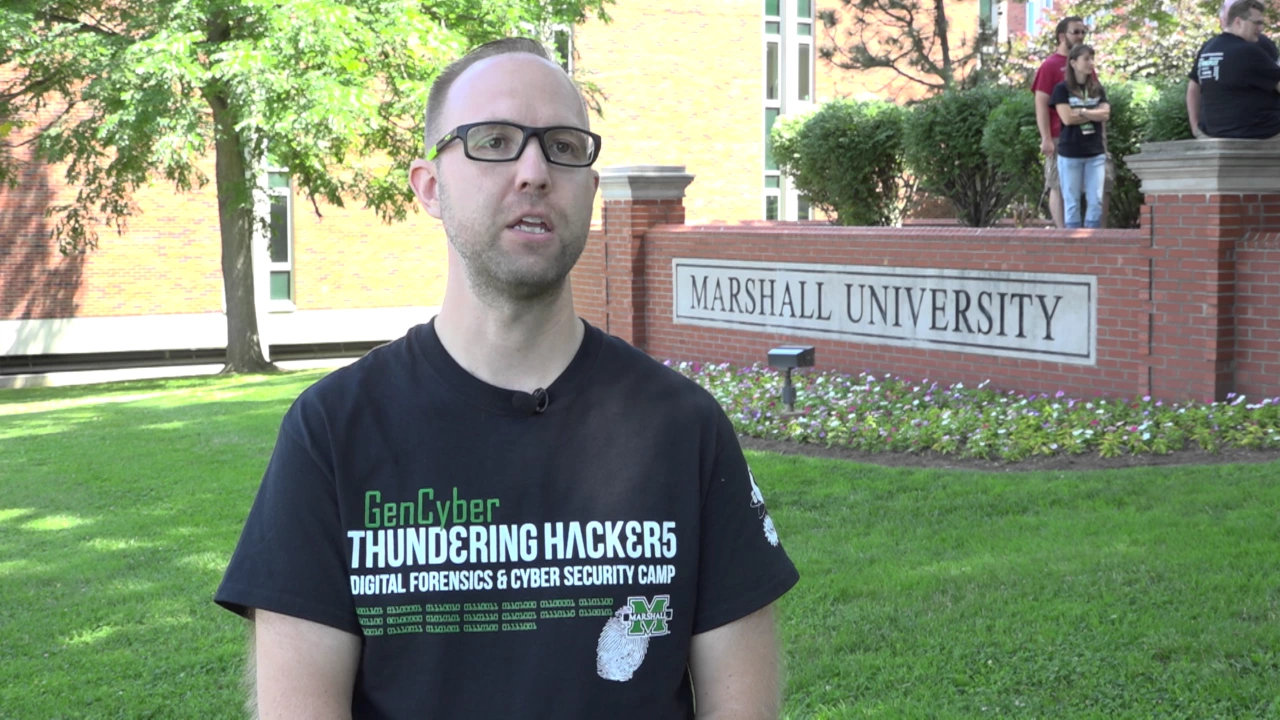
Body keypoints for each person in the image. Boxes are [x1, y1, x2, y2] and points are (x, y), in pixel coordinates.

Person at [213, 37, 800, 720]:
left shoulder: (682, 428)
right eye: (494, 141)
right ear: (429, 186)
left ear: (590, 189)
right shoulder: (333, 432)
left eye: (563, 146)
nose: (534, 171)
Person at [1033, 16, 1096, 229]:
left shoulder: (1086, 64)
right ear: (1062, 36)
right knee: (1059, 185)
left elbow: (1096, 97)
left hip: (1087, 135)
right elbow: (1041, 103)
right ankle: (1063, 234)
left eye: (1083, 32)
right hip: (1059, 135)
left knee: (1093, 185)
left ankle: (1095, 235)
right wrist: (1046, 138)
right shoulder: (1050, 66)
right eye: (1075, 32)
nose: (1080, 36)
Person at [1188, 0, 1280, 139]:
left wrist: (1196, 129)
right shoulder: (1248, 51)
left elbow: (1193, 87)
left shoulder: (1208, 48)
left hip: (1213, 133)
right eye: (1257, 23)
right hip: (1258, 134)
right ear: (1238, 22)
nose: (1261, 28)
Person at [1052, 44, 1111, 229]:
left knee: (1096, 201)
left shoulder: (1097, 89)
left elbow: (1105, 114)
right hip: (1070, 154)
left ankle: (1091, 239)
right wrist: (1093, 113)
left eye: (1092, 58)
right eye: (1086, 59)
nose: (1090, 63)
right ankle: (1073, 241)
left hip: (1095, 153)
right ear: (1073, 63)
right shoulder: (1062, 89)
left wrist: (1083, 111)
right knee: (1072, 202)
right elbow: (1067, 118)